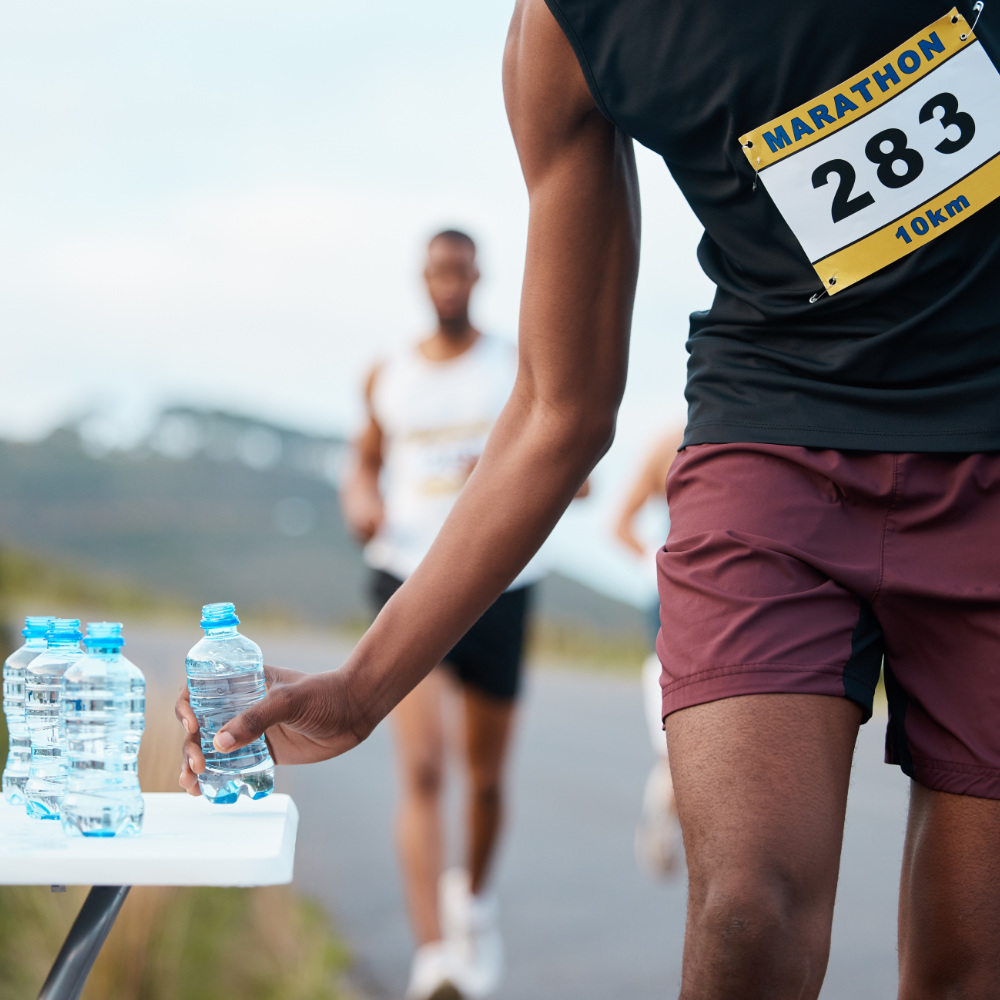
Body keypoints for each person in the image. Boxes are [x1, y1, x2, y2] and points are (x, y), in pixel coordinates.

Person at [179, 2, 1000, 997]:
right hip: (773, 446)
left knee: (975, 966)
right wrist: (359, 690)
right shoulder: (566, 33)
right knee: (747, 913)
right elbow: (557, 414)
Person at [339, 229, 543, 1000]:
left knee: (484, 778)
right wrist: (361, 499)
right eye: (437, 271)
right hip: (406, 575)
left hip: (501, 579)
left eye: (460, 270)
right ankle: (432, 958)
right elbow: (363, 459)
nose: (448, 283)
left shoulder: (514, 365)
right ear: (422, 279)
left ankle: (475, 907)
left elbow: (567, 448)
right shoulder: (388, 372)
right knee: (423, 768)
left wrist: (531, 475)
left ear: (478, 276)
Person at [613, 430, 684, 877]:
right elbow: (619, 523)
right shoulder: (670, 442)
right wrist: (656, 564)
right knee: (678, 744)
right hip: (670, 608)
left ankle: (668, 813)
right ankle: (664, 817)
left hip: (737, 601)